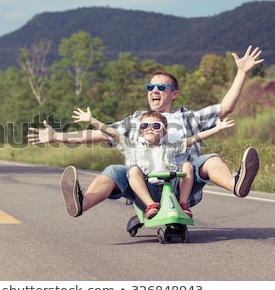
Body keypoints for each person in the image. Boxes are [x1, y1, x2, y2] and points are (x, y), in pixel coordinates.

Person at [28, 45, 263, 218]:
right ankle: (81, 202)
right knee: (114, 170)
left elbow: (225, 108)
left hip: (183, 184)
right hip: (144, 187)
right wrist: (57, 136)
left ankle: (236, 185)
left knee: (210, 159)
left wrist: (242, 72)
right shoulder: (136, 121)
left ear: (174, 94)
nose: (155, 90)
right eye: (151, 87)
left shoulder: (187, 117)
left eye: (162, 87)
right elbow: (102, 134)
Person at [72, 107, 235, 219]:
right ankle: (151, 206)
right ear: (141, 131)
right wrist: (91, 120)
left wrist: (217, 128)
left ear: (164, 131)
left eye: (156, 125)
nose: (150, 128)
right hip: (147, 191)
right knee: (133, 170)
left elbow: (195, 138)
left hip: (172, 189)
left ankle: (183, 204)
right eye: (145, 126)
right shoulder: (132, 146)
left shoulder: (172, 146)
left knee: (187, 166)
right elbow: (112, 132)